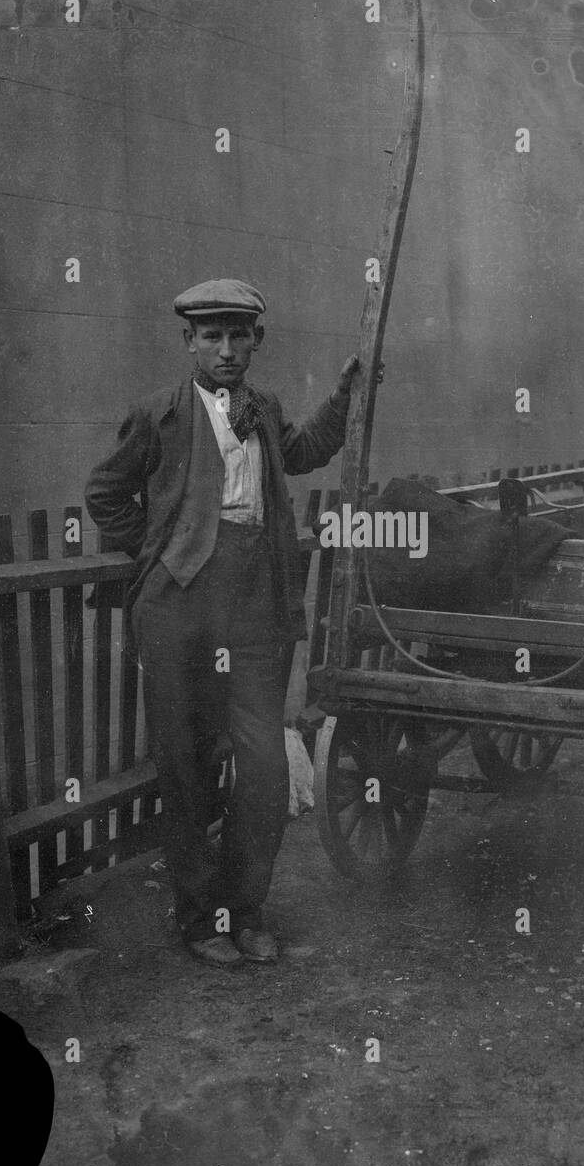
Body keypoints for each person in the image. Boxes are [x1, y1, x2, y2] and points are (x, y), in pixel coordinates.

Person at [85, 278, 360, 967]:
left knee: (263, 768)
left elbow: (300, 454)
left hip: (254, 609)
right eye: (211, 337)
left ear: (255, 343)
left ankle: (248, 910)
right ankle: (199, 920)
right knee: (183, 770)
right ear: (189, 343)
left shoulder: (263, 409)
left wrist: (345, 397)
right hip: (179, 611)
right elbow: (105, 492)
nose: (226, 350)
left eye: (239, 336)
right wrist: (160, 549)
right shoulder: (157, 415)